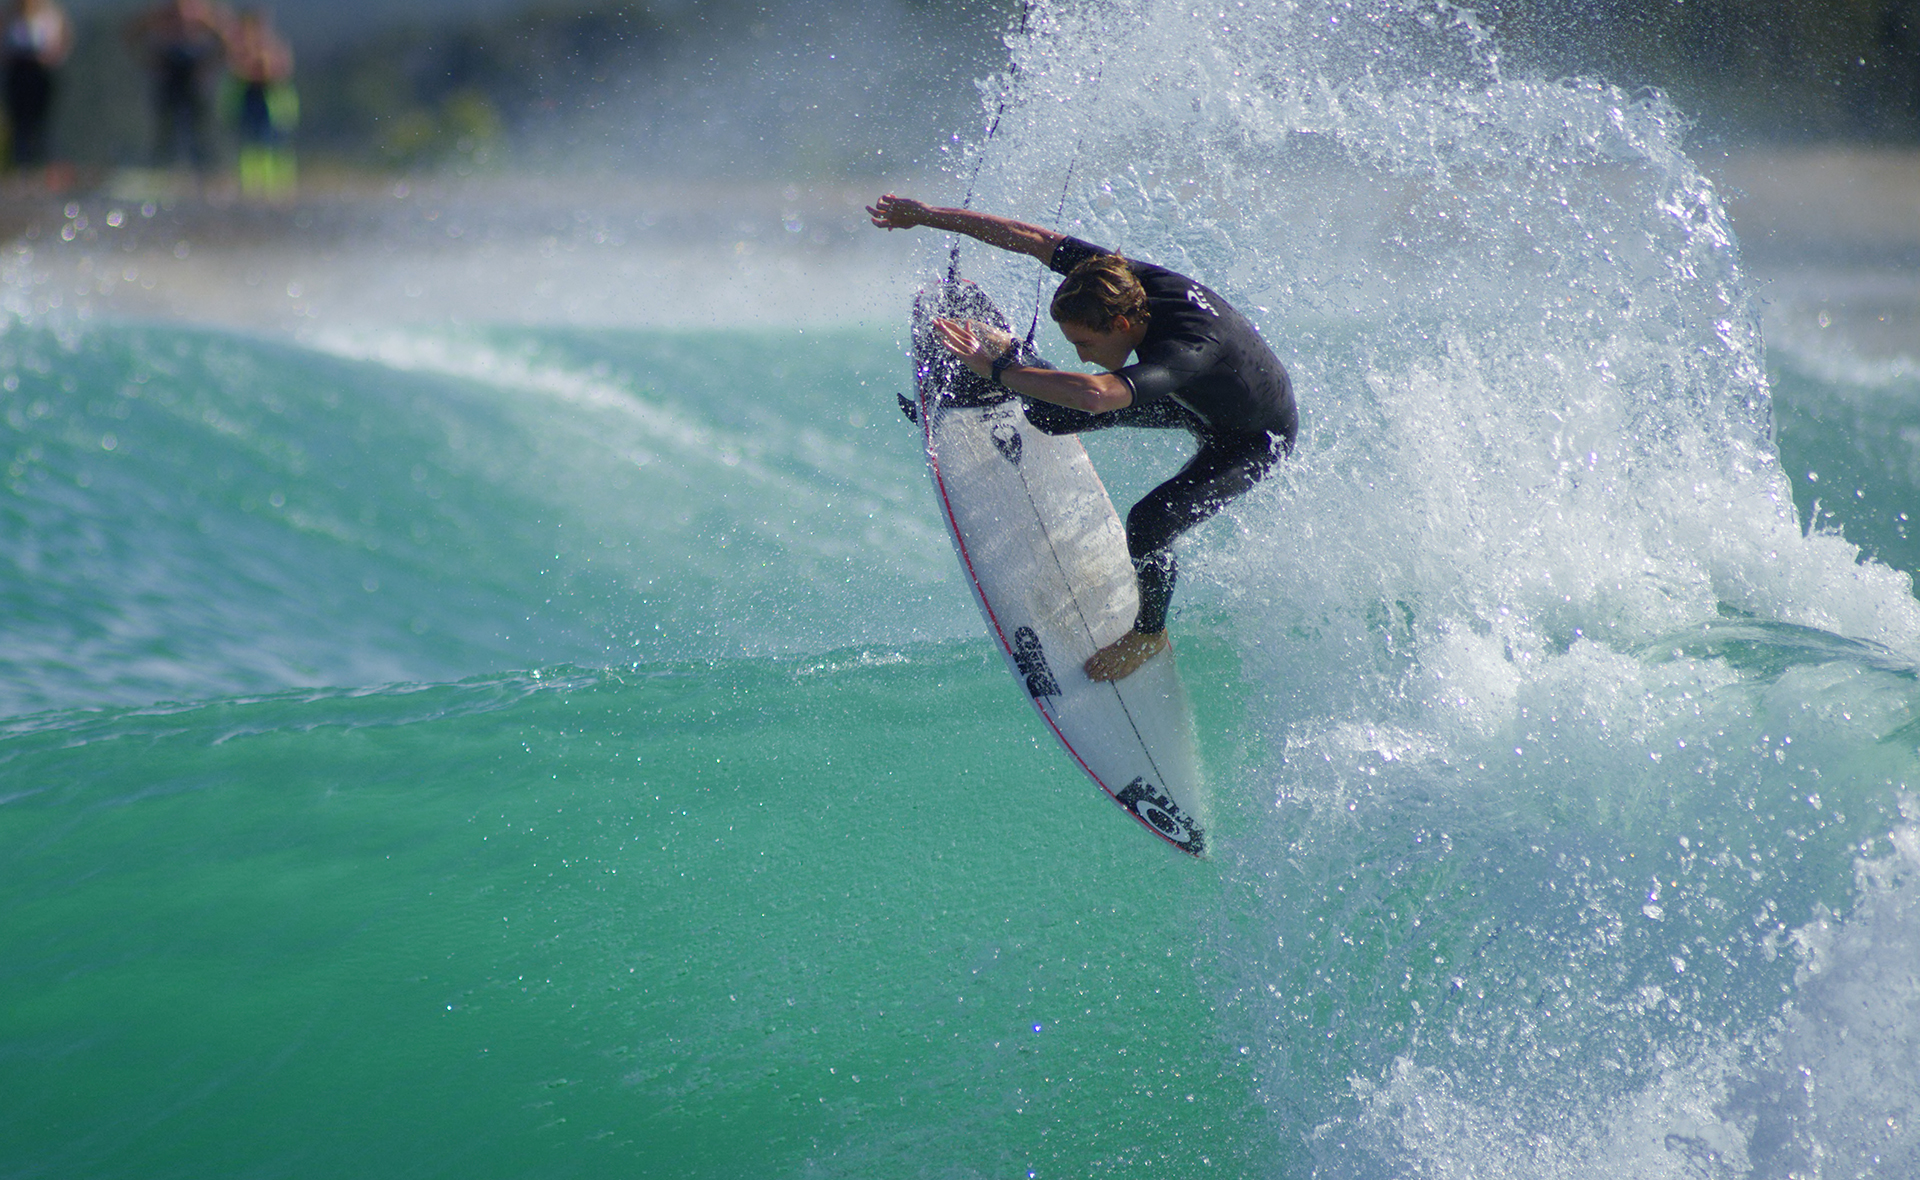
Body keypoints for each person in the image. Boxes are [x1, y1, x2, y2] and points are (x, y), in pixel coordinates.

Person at [867, 193, 1298, 682]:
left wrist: (1001, 370)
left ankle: (1148, 635)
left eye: (1086, 344)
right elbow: (1034, 238)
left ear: (1120, 324)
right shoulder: (1117, 281)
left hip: (1251, 437)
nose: (1085, 355)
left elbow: (1096, 394)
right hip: (1198, 398)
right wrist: (927, 215)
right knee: (1053, 416)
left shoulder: (1186, 348)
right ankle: (1004, 365)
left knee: (1151, 521)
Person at [123, 0, 229, 173]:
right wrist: (148, 61)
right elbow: (130, 34)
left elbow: (226, 40)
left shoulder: (202, 14)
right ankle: (162, 166)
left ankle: (205, 168)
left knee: (199, 124)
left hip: (193, 67)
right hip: (170, 67)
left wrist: (208, 66)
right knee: (166, 122)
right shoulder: (163, 13)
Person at [222, 5, 295, 201]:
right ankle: (251, 189)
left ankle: (277, 189)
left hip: (270, 101)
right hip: (249, 98)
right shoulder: (240, 48)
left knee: (274, 146)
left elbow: (280, 71)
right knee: (249, 146)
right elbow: (237, 71)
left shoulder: (273, 45)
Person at [2, 0, 73, 172]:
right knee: (19, 120)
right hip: (17, 71)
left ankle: (40, 164)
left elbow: (65, 39)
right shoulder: (9, 15)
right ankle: (20, 164)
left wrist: (54, 57)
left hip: (41, 71)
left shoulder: (51, 14)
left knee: (40, 119)